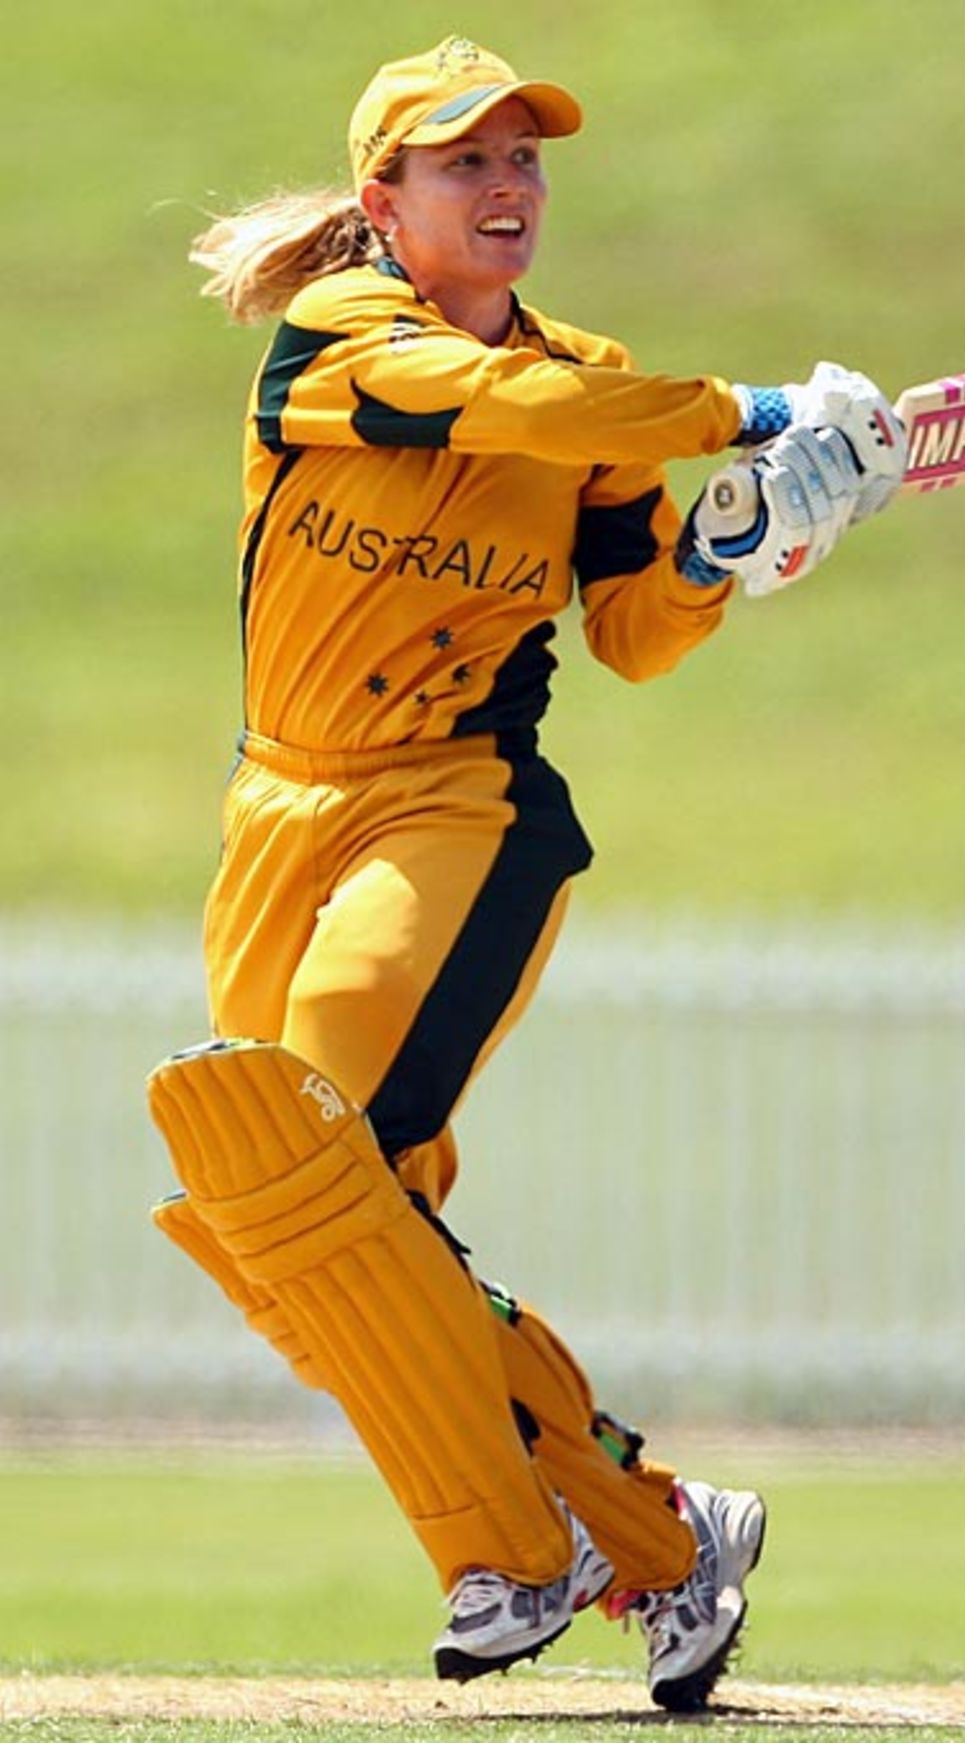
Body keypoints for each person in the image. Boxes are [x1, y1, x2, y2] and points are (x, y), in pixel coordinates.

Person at [145, 33, 905, 1712]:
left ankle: (508, 1555)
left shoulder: (598, 391)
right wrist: (753, 413)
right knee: (311, 1239)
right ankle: (662, 1537)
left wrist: (737, 543)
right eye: (463, 162)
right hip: (278, 807)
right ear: (383, 202)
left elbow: (635, 631)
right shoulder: (340, 338)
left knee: (300, 1150)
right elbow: (504, 403)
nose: (507, 187)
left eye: (524, 160)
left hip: (458, 811)